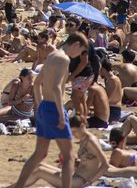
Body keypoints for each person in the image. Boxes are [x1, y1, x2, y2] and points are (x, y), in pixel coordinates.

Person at [9, 32, 90, 188]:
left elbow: (38, 83)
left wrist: (39, 106)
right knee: (68, 157)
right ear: (76, 45)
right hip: (54, 109)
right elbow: (57, 88)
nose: (77, 56)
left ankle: (19, 186)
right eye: (79, 52)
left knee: (39, 154)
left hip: (45, 107)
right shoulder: (64, 58)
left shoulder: (52, 55)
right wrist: (61, 114)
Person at [0, 115, 108, 188]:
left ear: (82, 126)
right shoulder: (83, 140)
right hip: (75, 176)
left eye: (74, 131)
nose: (74, 135)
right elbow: (88, 163)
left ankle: (10, 187)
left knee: (40, 171)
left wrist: (90, 182)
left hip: (79, 181)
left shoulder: (91, 141)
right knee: (39, 165)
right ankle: (13, 185)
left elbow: (105, 164)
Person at [100, 59, 122, 123]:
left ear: (102, 69)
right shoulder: (109, 79)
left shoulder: (112, 80)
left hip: (113, 112)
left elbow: (108, 99)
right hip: (112, 110)